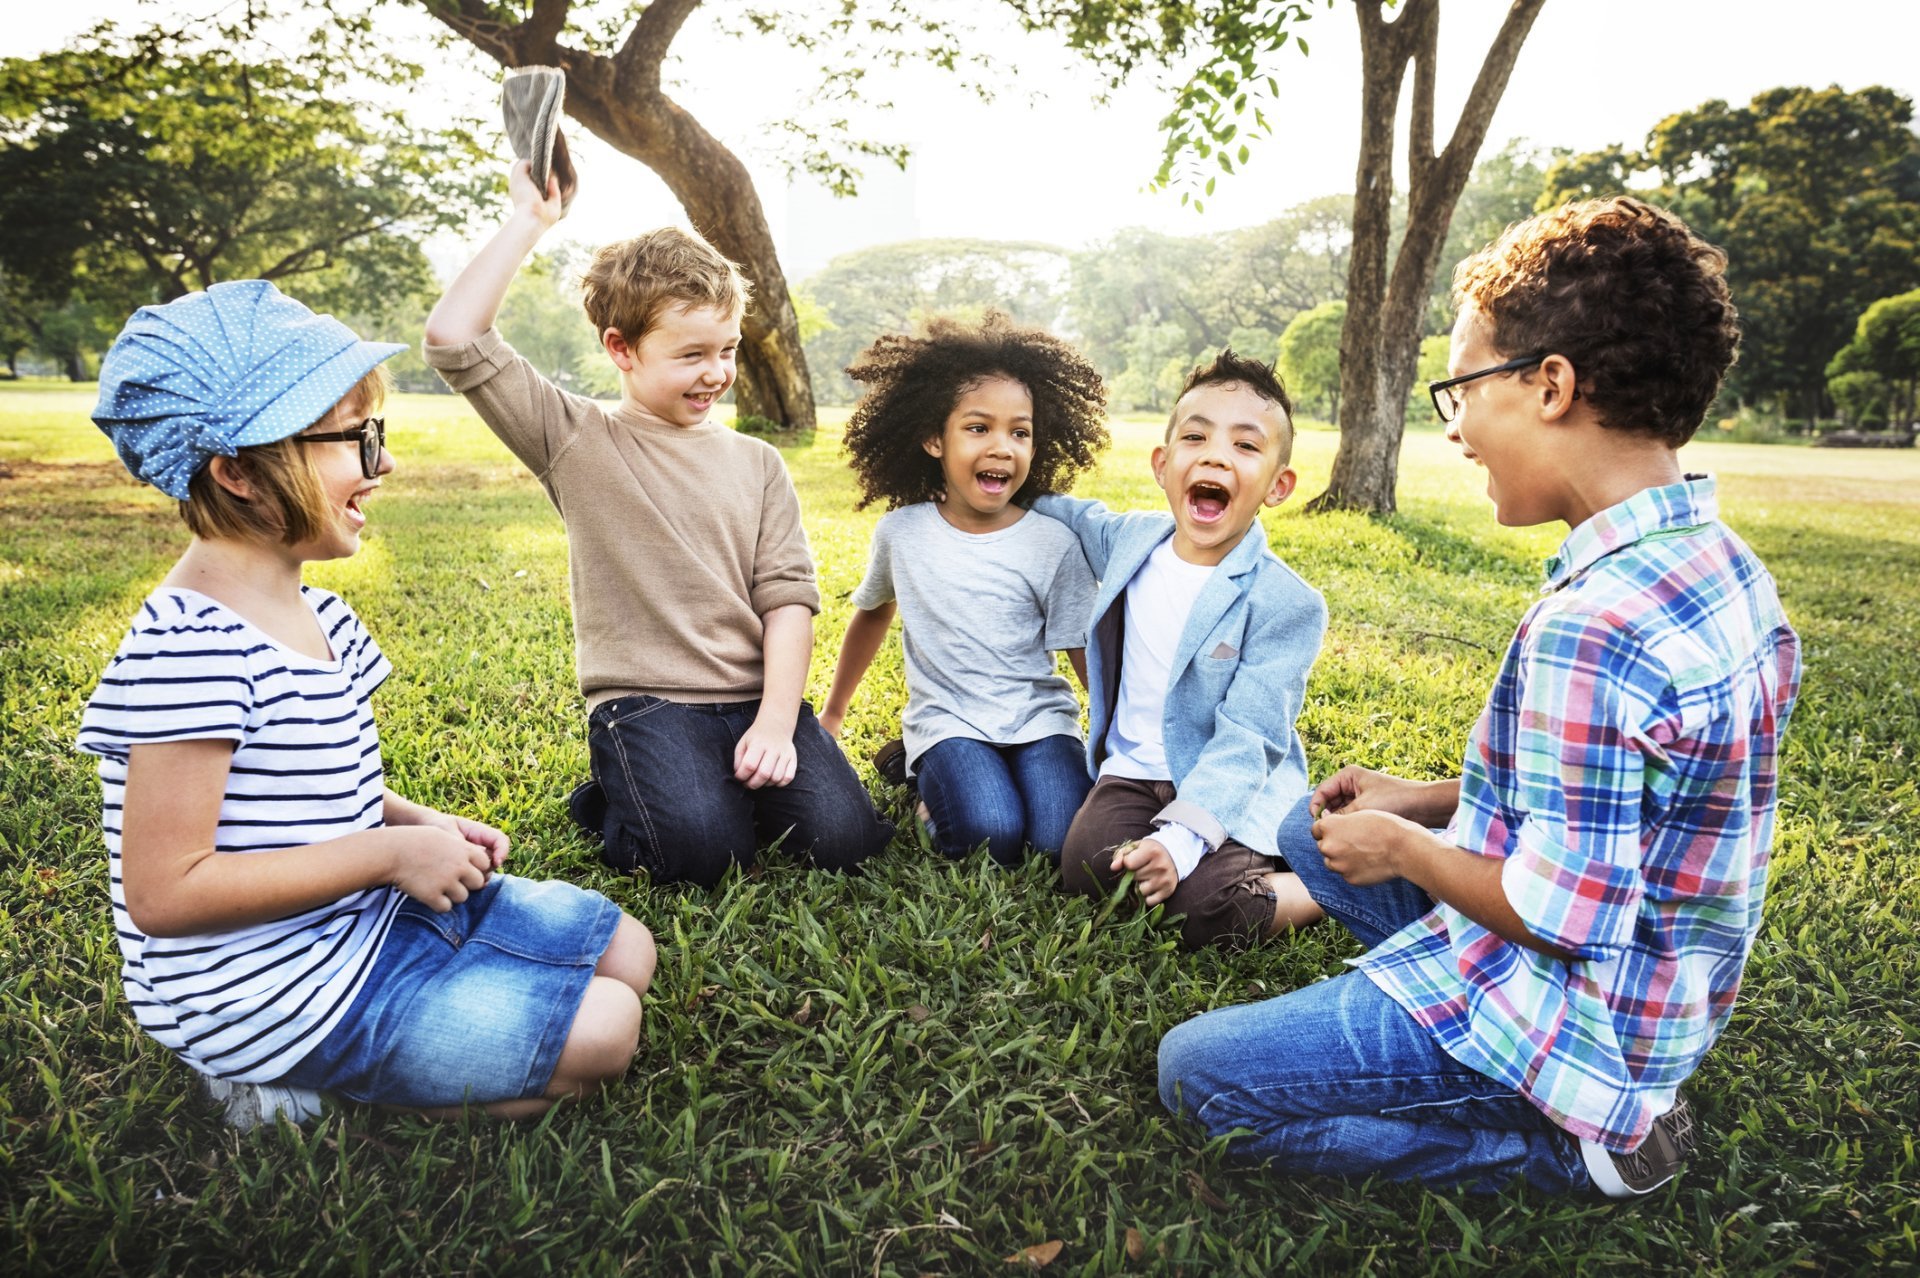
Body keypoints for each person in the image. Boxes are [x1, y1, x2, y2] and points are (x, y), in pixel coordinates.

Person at [1157, 197, 1802, 1197]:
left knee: (1198, 1076)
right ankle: (1440, 1007)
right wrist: (1423, 800)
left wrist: (1406, 849)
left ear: (1550, 386)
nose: (1454, 429)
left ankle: (1572, 1152)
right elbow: (1629, 798)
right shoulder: (1718, 566)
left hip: (1578, 1020)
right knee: (1305, 827)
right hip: (1660, 996)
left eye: (1459, 390)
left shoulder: (1596, 626)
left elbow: (1569, 920)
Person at [79, 281, 655, 1129]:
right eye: (355, 438)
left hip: (359, 921)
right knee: (608, 1030)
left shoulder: (319, 615)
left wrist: (415, 824)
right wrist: (387, 859)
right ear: (237, 471)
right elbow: (168, 891)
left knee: (629, 954)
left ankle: (403, 1037)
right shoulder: (192, 651)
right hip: (270, 991)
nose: (382, 465)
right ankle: (305, 1094)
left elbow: (306, 790)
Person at [422, 162, 892, 888]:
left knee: (845, 841)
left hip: (752, 697)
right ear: (621, 349)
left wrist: (774, 723)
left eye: (728, 349)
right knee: (700, 856)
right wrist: (530, 221)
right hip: (646, 705)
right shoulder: (574, 438)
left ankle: (718, 787)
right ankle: (614, 796)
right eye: (692, 355)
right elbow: (454, 340)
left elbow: (788, 602)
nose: (716, 373)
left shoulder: (759, 462)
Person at [1031, 350, 1328, 950]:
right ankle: (1178, 856)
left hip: (1227, 782)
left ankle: (1315, 883)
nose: (1216, 455)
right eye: (1196, 437)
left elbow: (1250, 736)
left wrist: (1180, 840)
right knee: (1086, 869)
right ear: (1164, 465)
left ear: (1278, 486)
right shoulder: (1131, 540)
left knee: (1201, 910)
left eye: (1246, 446)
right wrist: (996, 481)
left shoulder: (1285, 602)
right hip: (1133, 775)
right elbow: (1065, 511)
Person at [817, 313, 1107, 867]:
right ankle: (926, 780)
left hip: (1040, 720)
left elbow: (1079, 646)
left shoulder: (1053, 542)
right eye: (979, 428)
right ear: (933, 438)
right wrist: (834, 712)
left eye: (1019, 432)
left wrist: (1121, 737)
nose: (1002, 446)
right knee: (989, 834)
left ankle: (944, 776)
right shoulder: (902, 533)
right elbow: (873, 614)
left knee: (1055, 842)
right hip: (949, 720)